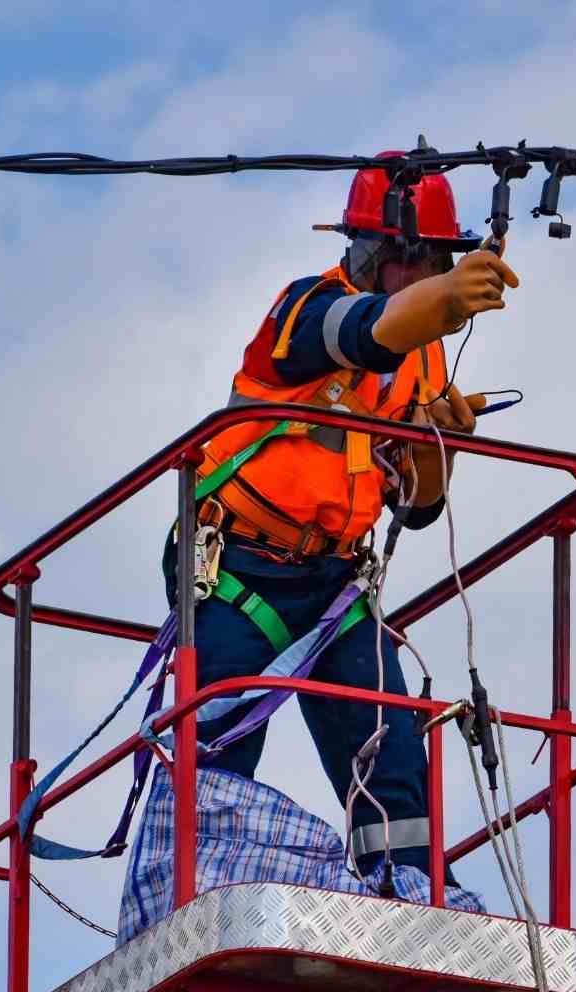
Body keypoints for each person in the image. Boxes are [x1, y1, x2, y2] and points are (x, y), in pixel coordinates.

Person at [161, 150, 519, 887]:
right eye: (421, 260)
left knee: (389, 744)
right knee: (218, 740)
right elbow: (362, 332)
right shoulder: (301, 313)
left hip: (334, 582)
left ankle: (412, 895)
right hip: (240, 568)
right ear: (382, 254)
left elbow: (418, 512)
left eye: (441, 261)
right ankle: (194, 894)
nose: (431, 274)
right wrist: (448, 299)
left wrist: (440, 448)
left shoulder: (421, 366)